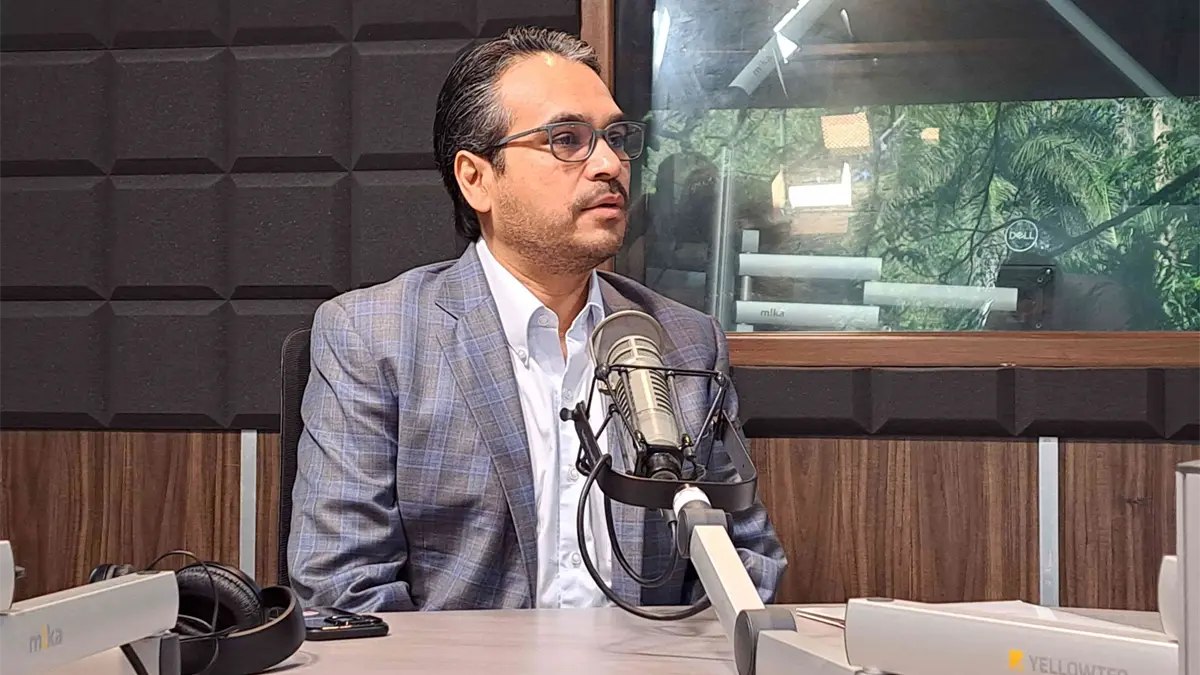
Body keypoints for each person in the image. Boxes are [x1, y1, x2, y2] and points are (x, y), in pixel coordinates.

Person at [287, 25, 787, 612]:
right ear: (476, 178)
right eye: (567, 139)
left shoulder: (685, 341)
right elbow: (344, 588)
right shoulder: (373, 337)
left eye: (616, 138)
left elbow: (743, 562)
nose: (610, 164)